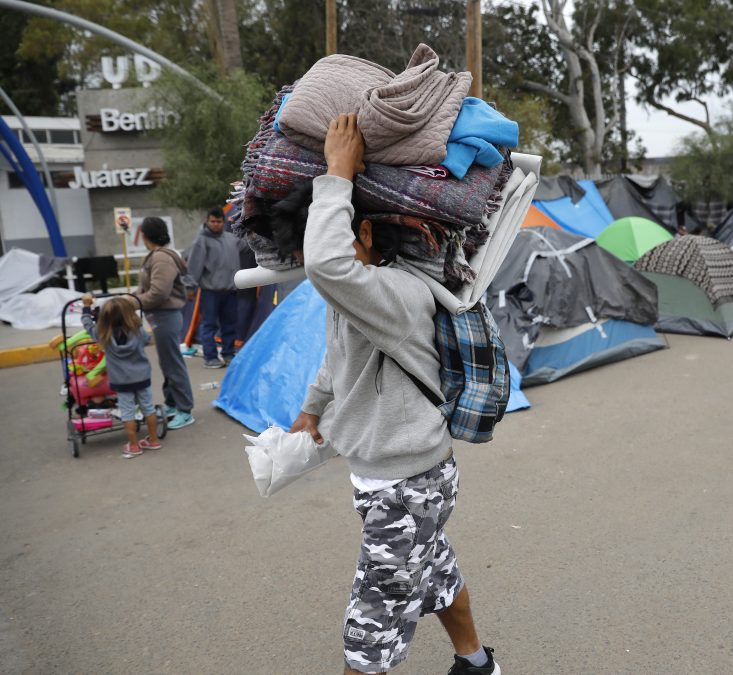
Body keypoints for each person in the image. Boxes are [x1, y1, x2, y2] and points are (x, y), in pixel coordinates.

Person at [289, 113, 499, 675]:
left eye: (338, 225)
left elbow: (323, 263)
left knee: (368, 634)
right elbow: (339, 357)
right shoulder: (360, 298)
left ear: (365, 234)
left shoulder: (398, 294)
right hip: (388, 478)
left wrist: (337, 173)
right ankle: (477, 664)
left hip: (406, 485)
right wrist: (312, 408)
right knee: (434, 574)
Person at [80, 294, 161, 458]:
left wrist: (86, 306)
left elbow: (87, 324)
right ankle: (153, 440)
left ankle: (133, 445)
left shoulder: (102, 334)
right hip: (142, 377)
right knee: (148, 408)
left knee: (127, 412)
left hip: (121, 381)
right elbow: (148, 338)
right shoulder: (137, 331)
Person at [135, 217, 196, 430]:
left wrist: (133, 301)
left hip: (166, 315)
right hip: (160, 316)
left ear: (145, 236)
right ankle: (172, 402)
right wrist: (132, 298)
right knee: (167, 362)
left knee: (172, 362)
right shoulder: (158, 256)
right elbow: (149, 290)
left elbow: (158, 292)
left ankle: (185, 410)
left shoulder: (161, 258)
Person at [186, 207, 242, 368]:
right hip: (210, 292)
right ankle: (210, 357)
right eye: (213, 221)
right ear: (207, 222)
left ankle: (228, 353)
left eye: (219, 221)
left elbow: (247, 246)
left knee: (229, 325)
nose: (216, 224)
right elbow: (194, 266)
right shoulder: (201, 241)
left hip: (230, 291)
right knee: (209, 325)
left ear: (224, 223)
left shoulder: (232, 239)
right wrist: (190, 287)